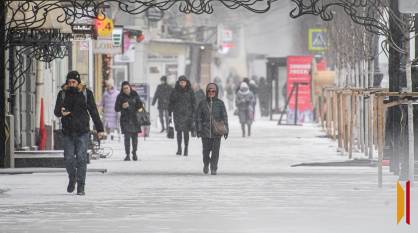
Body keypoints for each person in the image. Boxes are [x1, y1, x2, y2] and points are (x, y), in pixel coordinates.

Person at [54, 71, 104, 196]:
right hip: (68, 132)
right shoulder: (62, 94)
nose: (71, 84)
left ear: (78, 82)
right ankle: (72, 177)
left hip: (82, 131)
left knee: (81, 158)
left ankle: (81, 186)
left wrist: (100, 129)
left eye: (74, 82)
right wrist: (61, 112)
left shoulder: (86, 93)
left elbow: (93, 112)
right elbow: (56, 112)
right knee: (68, 158)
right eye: (69, 82)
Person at [196, 83, 229, 175]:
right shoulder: (202, 103)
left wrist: (226, 130)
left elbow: (225, 117)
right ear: (207, 92)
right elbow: (198, 117)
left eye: (213, 91)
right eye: (209, 91)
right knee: (205, 152)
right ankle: (206, 164)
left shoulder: (220, 103)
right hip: (205, 131)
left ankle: (214, 167)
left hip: (217, 131)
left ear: (216, 92)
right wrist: (199, 129)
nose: (211, 93)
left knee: (215, 152)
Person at [115, 81, 144, 161]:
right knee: (127, 138)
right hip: (125, 119)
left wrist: (139, 107)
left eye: (127, 88)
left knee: (135, 138)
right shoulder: (120, 96)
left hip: (135, 119)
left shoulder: (135, 94)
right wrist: (122, 106)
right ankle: (127, 154)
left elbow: (140, 105)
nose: (125, 90)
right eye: (124, 88)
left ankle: (134, 153)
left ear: (130, 87)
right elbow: (116, 108)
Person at [168, 75, 195, 156]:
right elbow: (171, 102)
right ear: (179, 82)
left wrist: (194, 112)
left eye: (184, 82)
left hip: (187, 114)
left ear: (186, 82)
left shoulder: (190, 91)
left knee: (186, 132)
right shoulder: (175, 91)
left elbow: (194, 102)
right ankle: (179, 148)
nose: (182, 84)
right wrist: (169, 113)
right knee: (179, 131)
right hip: (177, 114)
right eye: (181, 82)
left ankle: (186, 148)